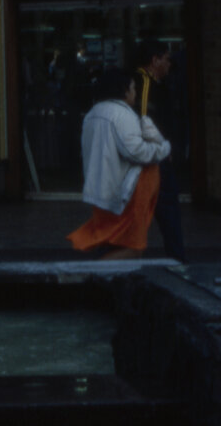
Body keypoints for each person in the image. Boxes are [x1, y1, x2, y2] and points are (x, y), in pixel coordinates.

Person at [67, 67, 171, 259]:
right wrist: (164, 149)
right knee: (134, 247)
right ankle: (94, 275)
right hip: (126, 193)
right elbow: (137, 152)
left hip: (103, 190)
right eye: (132, 87)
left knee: (112, 240)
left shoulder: (92, 114)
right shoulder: (121, 114)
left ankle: (110, 280)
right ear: (124, 90)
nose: (135, 92)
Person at [135, 37, 187, 264]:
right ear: (154, 60)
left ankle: (176, 257)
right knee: (166, 208)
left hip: (157, 156)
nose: (169, 64)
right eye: (166, 59)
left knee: (160, 210)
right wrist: (161, 149)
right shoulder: (145, 82)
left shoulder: (157, 84)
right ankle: (177, 259)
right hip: (154, 159)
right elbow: (144, 121)